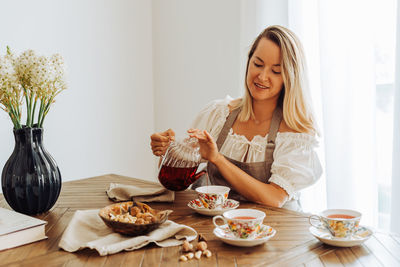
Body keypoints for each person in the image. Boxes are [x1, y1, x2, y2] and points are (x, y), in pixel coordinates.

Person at [150, 25, 322, 211]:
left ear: (290, 77)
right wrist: (169, 153)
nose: (262, 76)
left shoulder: (295, 131)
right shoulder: (219, 114)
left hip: (277, 232)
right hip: (219, 227)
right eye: (257, 64)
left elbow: (275, 198)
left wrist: (217, 158)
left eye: (276, 71)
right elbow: (178, 183)